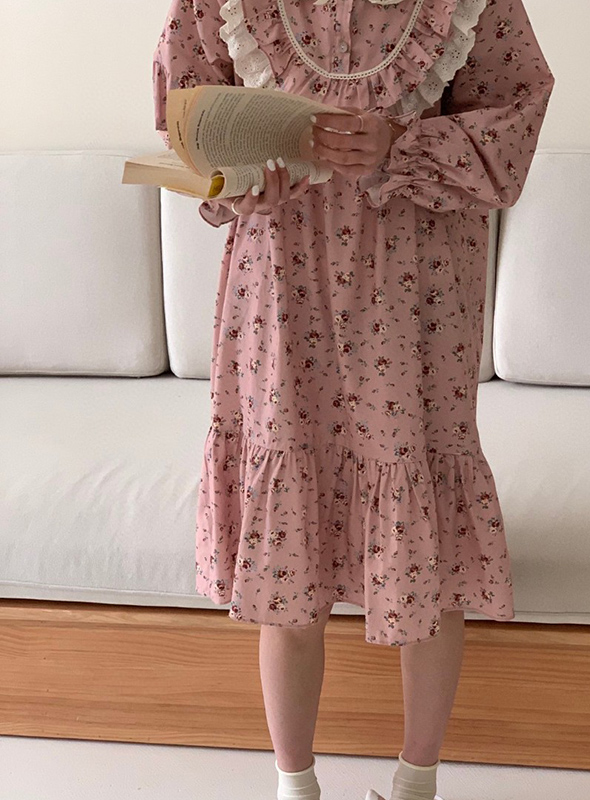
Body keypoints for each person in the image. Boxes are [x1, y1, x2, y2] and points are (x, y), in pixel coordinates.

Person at [152, 0, 554, 797]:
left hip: (416, 288)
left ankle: (416, 781)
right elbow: (184, 121)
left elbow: (517, 116)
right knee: (287, 541)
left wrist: (403, 145)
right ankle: (293, 784)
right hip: (281, 279)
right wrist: (238, 184)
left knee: (425, 529)